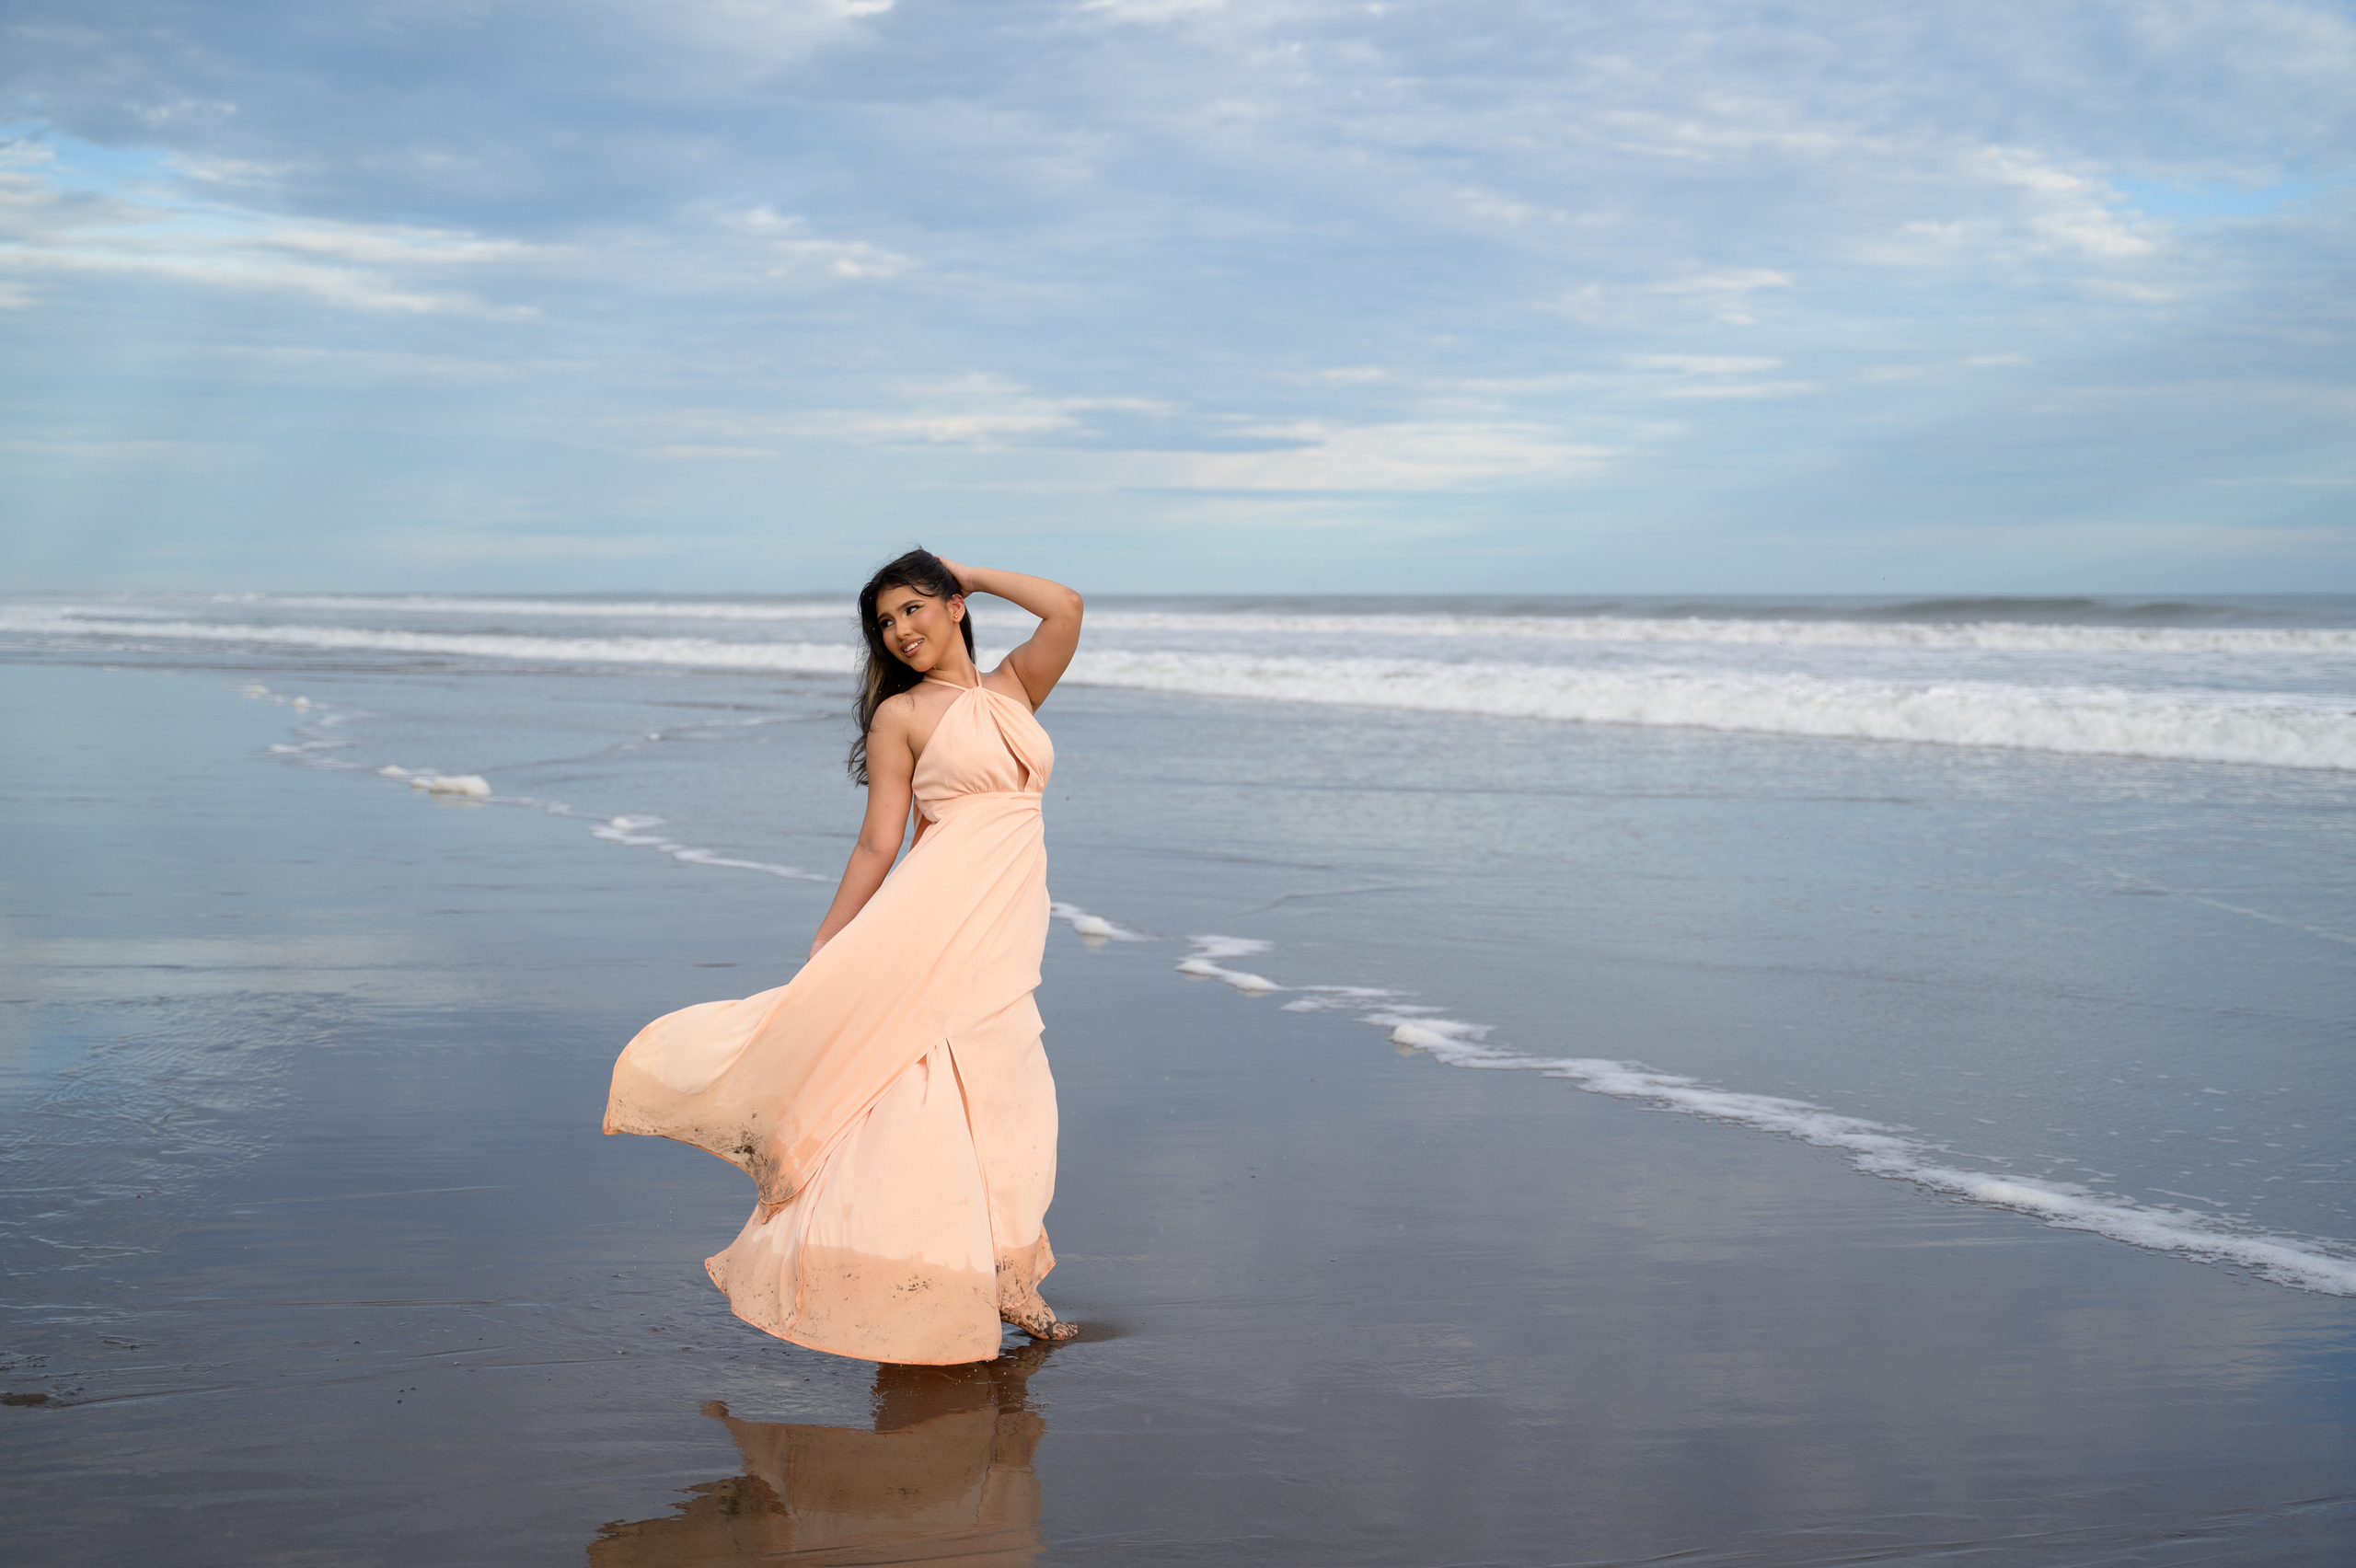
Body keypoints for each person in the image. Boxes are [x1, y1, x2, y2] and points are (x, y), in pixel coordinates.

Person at [604, 549, 1083, 1363]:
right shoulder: (902, 718)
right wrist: (831, 940)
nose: (899, 631)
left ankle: (1005, 1270)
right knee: (933, 1095)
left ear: (953, 606)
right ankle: (977, 1280)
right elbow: (878, 843)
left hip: (1006, 922)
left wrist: (971, 569)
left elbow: (1066, 607)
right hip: (934, 917)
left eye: (913, 610)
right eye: (886, 622)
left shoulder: (1013, 689)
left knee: (1015, 1094)